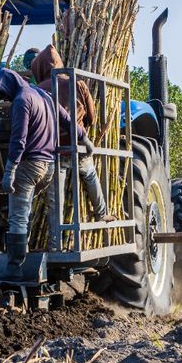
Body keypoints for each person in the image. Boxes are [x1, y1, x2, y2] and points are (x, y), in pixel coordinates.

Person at [0, 68, 92, 278]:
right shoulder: (44, 95)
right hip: (49, 165)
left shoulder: (21, 100)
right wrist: (84, 138)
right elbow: (68, 120)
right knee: (39, 209)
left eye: (4, 94)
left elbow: (19, 139)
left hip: (29, 165)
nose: (6, 99)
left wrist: (10, 169)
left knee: (18, 215)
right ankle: (51, 248)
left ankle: (14, 268)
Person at [30, 44, 116, 245]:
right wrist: (83, 128)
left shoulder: (39, 89)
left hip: (54, 148)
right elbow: (92, 116)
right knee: (90, 175)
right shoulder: (78, 83)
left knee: (55, 199)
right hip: (78, 143)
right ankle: (102, 213)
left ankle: (54, 243)